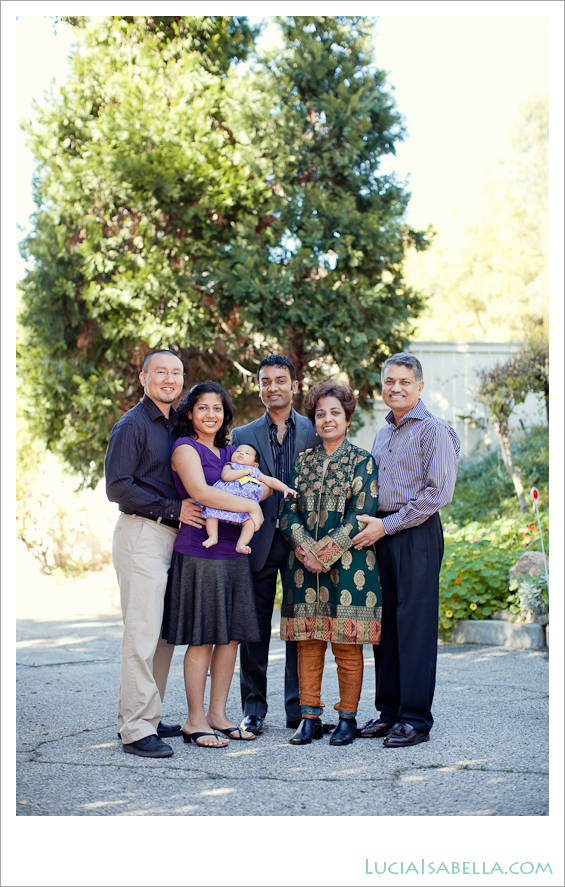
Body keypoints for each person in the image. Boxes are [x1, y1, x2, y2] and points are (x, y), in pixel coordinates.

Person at [352, 353, 460, 748]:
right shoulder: (384, 433)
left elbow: (438, 493)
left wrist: (389, 525)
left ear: (420, 386)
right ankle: (390, 713)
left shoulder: (434, 430)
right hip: (382, 533)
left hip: (415, 532)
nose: (395, 388)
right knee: (387, 628)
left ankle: (415, 719)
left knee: (414, 626)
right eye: (389, 381)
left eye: (404, 381)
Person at [161, 382, 266, 748]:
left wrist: (257, 493)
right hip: (199, 551)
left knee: (230, 636)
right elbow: (201, 492)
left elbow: (260, 483)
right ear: (190, 412)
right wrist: (251, 506)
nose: (211, 414)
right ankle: (194, 720)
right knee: (203, 637)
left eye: (217, 408)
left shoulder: (230, 449)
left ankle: (218, 715)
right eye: (203, 407)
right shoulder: (184, 448)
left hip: (234, 551)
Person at [279, 380, 382, 746]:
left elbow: (361, 514)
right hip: (303, 568)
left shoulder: (362, 461)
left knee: (346, 646)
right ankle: (308, 718)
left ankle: (347, 719)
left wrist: (324, 553)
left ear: (347, 417)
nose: (327, 419)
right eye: (320, 414)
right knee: (308, 644)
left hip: (351, 566)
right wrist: (306, 549)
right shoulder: (303, 463)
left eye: (334, 412)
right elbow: (286, 510)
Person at [105, 349, 191, 758]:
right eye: (161, 372)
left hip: (171, 537)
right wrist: (176, 509)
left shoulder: (175, 422)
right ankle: (135, 729)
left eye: (175, 373)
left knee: (161, 635)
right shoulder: (132, 424)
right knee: (141, 631)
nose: (169, 379)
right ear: (144, 378)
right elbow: (117, 487)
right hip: (143, 534)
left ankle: (149, 716)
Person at [231, 356, 321, 735]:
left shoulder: (316, 431)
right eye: (265, 381)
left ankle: (299, 707)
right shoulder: (242, 436)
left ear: (294, 386)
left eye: (280, 380)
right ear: (259, 387)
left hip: (302, 542)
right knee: (253, 630)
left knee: (300, 628)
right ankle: (253, 708)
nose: (272, 387)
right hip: (258, 540)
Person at [202, 444, 298, 554]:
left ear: (255, 464)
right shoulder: (230, 466)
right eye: (238, 451)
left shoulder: (254, 471)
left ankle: (241, 543)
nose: (241, 453)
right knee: (211, 512)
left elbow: (270, 481)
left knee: (250, 522)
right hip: (224, 501)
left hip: (244, 507)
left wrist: (285, 488)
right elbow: (226, 476)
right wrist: (244, 471)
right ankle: (213, 535)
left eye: (247, 453)